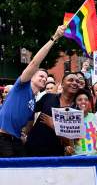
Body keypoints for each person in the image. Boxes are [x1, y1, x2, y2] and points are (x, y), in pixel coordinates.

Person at [0, 25, 66, 157]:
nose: (44, 79)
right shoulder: (21, 85)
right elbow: (35, 62)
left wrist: (25, 135)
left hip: (17, 140)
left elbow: (28, 123)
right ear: (32, 77)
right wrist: (54, 38)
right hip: (3, 138)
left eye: (46, 78)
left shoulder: (34, 101)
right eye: (41, 75)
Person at [25, 72, 79, 156]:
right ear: (62, 84)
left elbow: (71, 140)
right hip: (33, 147)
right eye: (70, 80)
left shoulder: (76, 109)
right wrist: (26, 131)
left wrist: (54, 125)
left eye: (77, 81)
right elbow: (30, 110)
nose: (75, 83)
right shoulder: (48, 97)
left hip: (55, 153)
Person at [71, 89, 97, 155]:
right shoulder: (71, 120)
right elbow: (69, 141)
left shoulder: (96, 117)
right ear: (75, 103)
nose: (83, 102)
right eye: (79, 100)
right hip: (80, 159)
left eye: (86, 100)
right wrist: (68, 148)